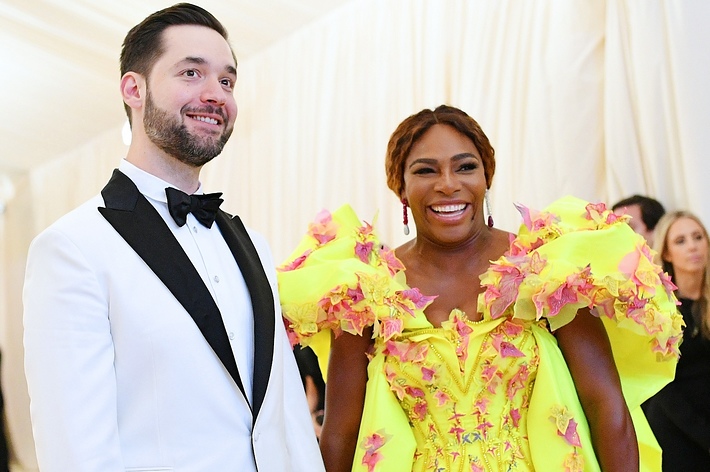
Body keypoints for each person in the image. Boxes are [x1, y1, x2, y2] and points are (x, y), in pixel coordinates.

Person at [277, 105, 682, 471]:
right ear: (400, 187)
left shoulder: (543, 268)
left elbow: (606, 408)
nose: (448, 184)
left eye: (465, 167)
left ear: (486, 177)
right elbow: (341, 434)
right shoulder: (369, 287)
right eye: (425, 170)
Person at [22, 4, 323, 471]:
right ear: (133, 88)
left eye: (226, 81)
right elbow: (77, 453)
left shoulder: (252, 244)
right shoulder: (73, 248)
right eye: (191, 73)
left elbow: (286, 419)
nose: (215, 94)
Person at [645, 211, 710, 471]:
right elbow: (661, 386)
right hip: (677, 431)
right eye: (681, 240)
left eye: (698, 237)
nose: (692, 245)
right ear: (668, 253)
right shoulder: (660, 310)